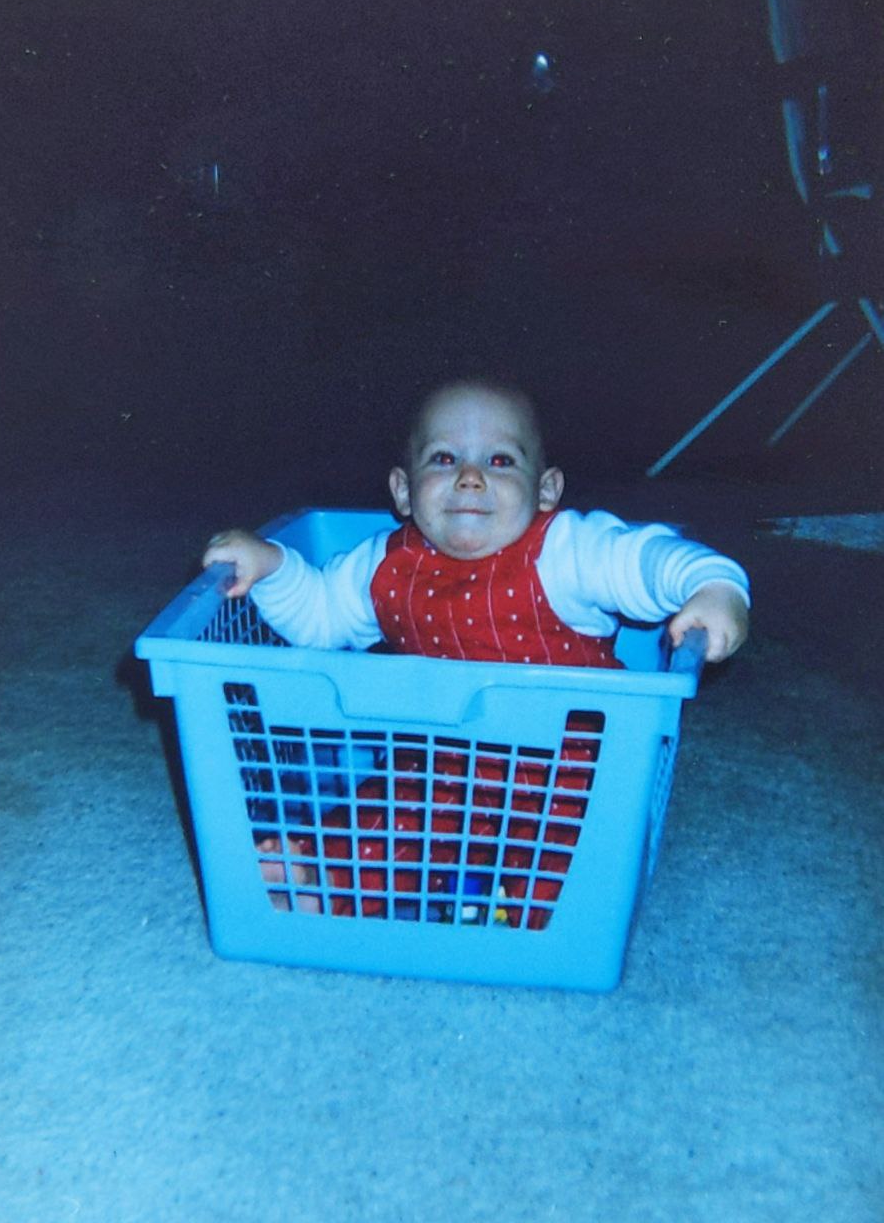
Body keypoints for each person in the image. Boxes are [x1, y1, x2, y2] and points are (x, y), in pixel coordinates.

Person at [202, 379, 750, 922]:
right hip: (445, 762)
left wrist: (715, 590)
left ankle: (546, 913)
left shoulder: (567, 549)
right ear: (402, 490)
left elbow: (654, 560)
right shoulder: (385, 565)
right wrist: (271, 565)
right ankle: (324, 879)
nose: (469, 478)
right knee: (389, 818)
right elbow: (320, 615)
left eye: (500, 460)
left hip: (573, 765)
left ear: (546, 491)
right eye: (443, 458)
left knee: (577, 877)